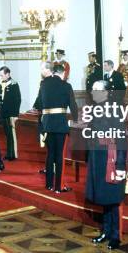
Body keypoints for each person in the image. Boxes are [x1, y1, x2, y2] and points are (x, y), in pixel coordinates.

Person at [86, 80, 127, 250]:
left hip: (112, 157)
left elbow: (121, 138)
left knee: (113, 197)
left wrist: (119, 164)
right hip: (98, 157)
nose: (93, 92)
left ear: (106, 92)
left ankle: (115, 236)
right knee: (103, 196)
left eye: (96, 89)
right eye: (92, 89)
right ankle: (106, 231)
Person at [39, 62, 78, 193]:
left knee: (50, 154)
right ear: (63, 73)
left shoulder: (43, 84)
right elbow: (73, 105)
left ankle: (49, 184)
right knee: (60, 156)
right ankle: (58, 186)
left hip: (47, 123)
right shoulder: (66, 86)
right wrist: (77, 119)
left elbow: (39, 103)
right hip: (60, 123)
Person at [0, 66, 21, 161]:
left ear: (7, 74)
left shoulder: (14, 84)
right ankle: (9, 153)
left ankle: (13, 154)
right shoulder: (2, 83)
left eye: (2, 75)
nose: (1, 77)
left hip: (11, 113)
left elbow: (17, 100)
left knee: (12, 134)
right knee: (7, 134)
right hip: (4, 113)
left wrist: (15, 115)